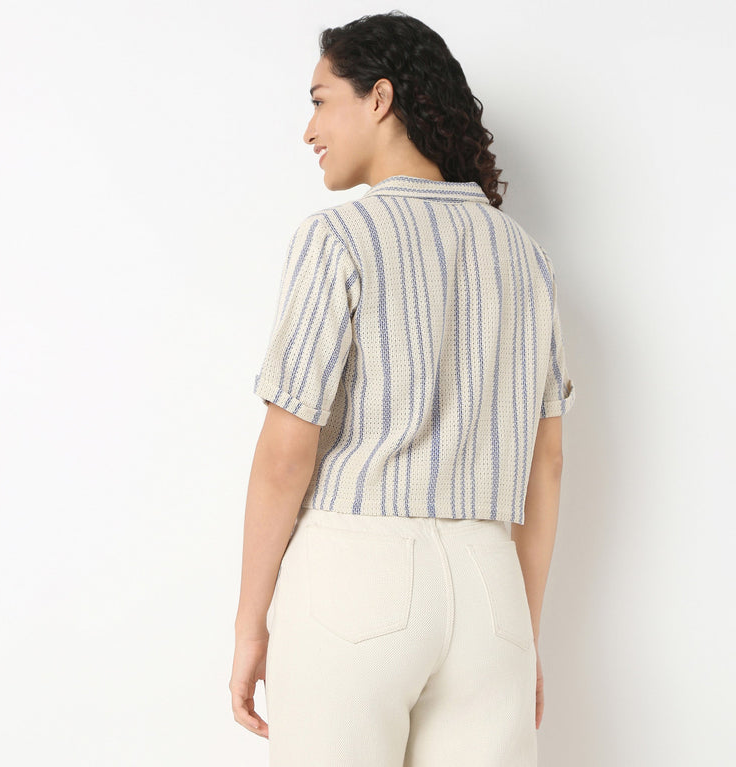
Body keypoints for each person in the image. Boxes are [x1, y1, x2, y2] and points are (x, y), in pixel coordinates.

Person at [231, 11, 576, 767]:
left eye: (321, 101)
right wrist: (520, 632)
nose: (309, 129)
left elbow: (286, 454)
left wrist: (250, 623)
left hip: (355, 575)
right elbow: (546, 463)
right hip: (490, 587)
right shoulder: (525, 256)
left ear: (380, 98)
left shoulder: (339, 238)